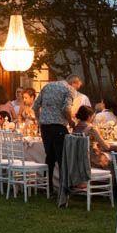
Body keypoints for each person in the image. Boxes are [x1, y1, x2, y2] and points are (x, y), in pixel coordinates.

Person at [34, 75, 80, 207]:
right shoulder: (69, 89)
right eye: (77, 87)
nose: (76, 90)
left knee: (50, 158)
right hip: (59, 126)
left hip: (45, 127)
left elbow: (35, 106)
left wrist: (39, 120)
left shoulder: (47, 86)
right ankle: (63, 191)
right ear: (73, 83)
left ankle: (48, 188)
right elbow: (66, 108)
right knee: (62, 159)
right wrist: (71, 122)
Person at [77, 105, 112, 170]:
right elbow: (106, 147)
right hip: (91, 160)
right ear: (89, 116)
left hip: (78, 160)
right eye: (93, 116)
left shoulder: (75, 127)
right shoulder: (91, 129)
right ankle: (116, 176)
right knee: (113, 159)